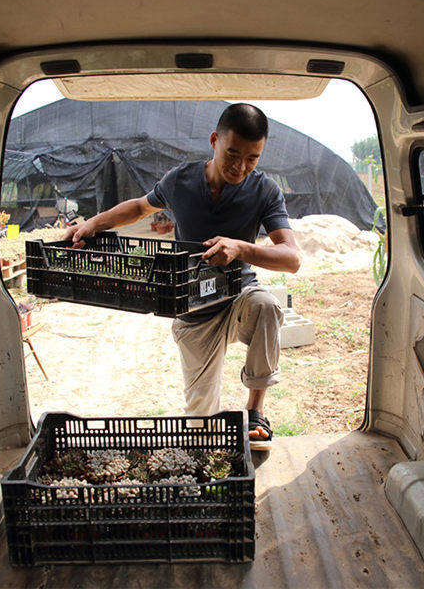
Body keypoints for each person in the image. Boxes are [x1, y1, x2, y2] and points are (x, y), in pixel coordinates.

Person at [63, 103, 301, 450]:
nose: (240, 167)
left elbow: (291, 258)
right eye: (232, 153)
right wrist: (92, 223)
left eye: (252, 159)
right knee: (199, 425)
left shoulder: (264, 190)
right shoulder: (182, 180)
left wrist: (241, 248)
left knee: (266, 306)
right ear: (214, 140)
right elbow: (140, 207)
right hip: (193, 309)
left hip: (238, 296)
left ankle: (254, 412)